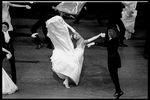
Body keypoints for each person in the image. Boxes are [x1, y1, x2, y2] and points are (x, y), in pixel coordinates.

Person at [46, 12, 104, 88]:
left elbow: (90, 39)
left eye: (75, 35)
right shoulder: (80, 39)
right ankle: (66, 80)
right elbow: (72, 29)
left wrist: (99, 35)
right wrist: (64, 24)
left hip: (78, 53)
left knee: (73, 66)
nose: (75, 35)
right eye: (74, 36)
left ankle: (66, 80)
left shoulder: (82, 41)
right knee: (72, 65)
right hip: (77, 52)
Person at [96, 28, 124, 99]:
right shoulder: (116, 39)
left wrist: (95, 43)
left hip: (112, 60)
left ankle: (119, 91)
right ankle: (118, 90)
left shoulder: (110, 43)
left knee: (114, 76)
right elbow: (109, 40)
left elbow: (104, 44)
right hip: (116, 59)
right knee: (115, 76)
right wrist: (106, 35)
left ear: (110, 35)